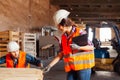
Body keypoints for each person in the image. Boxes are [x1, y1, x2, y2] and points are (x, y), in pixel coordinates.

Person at [43, 9, 95, 80]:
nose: (58, 28)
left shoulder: (79, 32)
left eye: (59, 26)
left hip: (83, 67)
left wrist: (79, 48)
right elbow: (61, 54)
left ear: (64, 23)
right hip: (72, 67)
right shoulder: (63, 37)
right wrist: (49, 66)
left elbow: (91, 47)